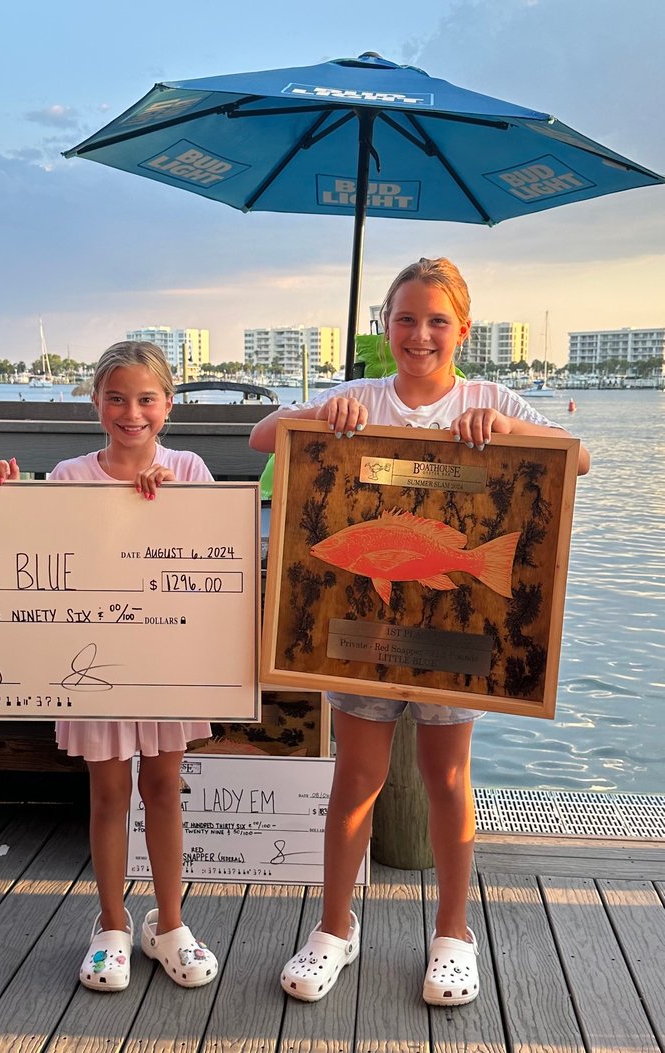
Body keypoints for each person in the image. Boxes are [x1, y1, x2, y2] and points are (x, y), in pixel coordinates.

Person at [249, 257, 590, 1008]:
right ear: (384, 327)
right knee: (355, 780)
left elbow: (578, 459)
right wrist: (320, 418)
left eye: (437, 320)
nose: (421, 334)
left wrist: (505, 426)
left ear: (462, 329)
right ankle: (335, 928)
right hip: (362, 641)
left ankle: (452, 934)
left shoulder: (489, 397)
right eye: (405, 319)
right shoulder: (359, 395)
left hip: (456, 645)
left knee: (447, 782)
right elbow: (262, 436)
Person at [0, 340, 219, 993]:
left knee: (165, 789)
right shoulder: (67, 476)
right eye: (116, 397)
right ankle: (111, 922)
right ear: (96, 403)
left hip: (166, 662)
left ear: (167, 404)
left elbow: (213, 563)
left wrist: (176, 509)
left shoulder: (190, 469)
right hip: (91, 663)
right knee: (108, 794)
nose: (131, 412)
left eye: (145, 398)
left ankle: (170, 923)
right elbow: (33, 552)